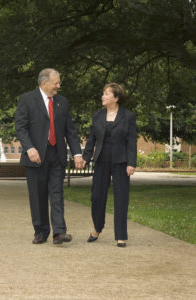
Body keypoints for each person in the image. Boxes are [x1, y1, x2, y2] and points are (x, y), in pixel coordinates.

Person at [15, 68, 83, 245]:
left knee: (57, 193)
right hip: (35, 156)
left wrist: (77, 153)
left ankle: (59, 232)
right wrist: (29, 148)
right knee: (37, 196)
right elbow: (20, 128)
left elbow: (70, 130)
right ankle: (41, 231)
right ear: (44, 83)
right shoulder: (27, 99)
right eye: (56, 83)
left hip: (57, 155)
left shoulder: (62, 102)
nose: (59, 86)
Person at [83, 83, 137, 247]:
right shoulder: (97, 115)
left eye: (107, 94)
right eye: (103, 93)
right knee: (97, 197)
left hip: (121, 162)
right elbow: (91, 139)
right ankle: (97, 228)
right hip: (101, 161)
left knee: (121, 198)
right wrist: (85, 156)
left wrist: (131, 162)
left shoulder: (128, 116)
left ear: (116, 98)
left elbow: (131, 141)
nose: (103, 96)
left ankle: (121, 236)